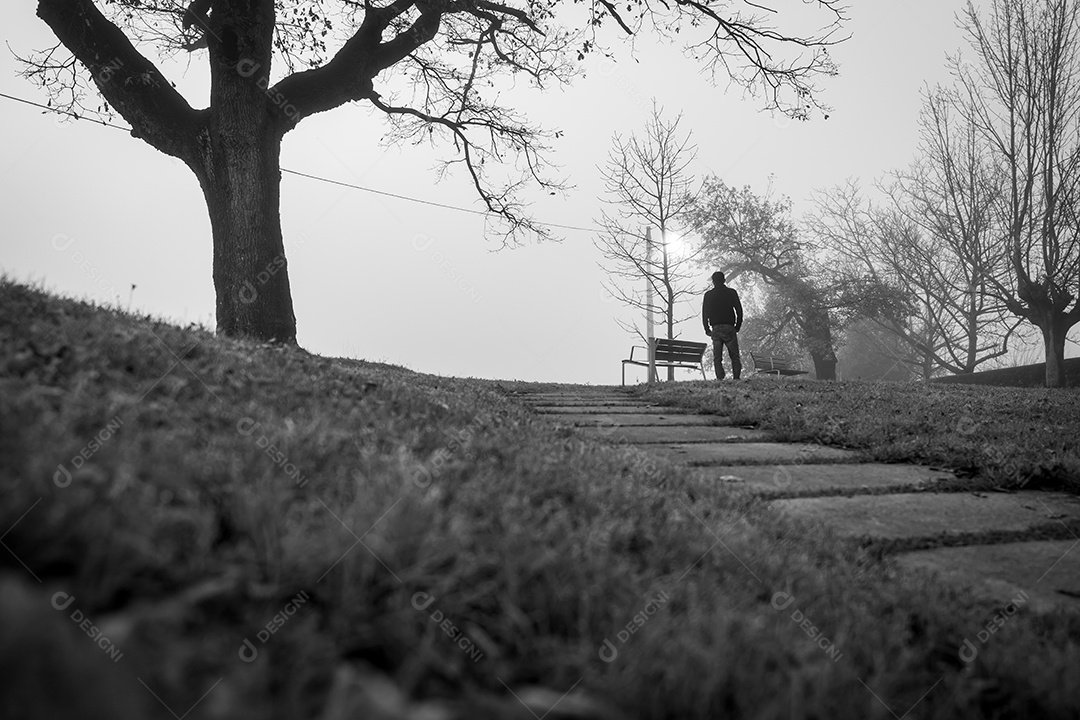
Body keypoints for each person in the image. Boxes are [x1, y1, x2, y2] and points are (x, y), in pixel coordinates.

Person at [702, 271, 743, 380]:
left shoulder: (708, 295)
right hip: (729, 327)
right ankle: (736, 378)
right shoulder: (731, 292)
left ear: (713, 281)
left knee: (717, 357)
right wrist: (737, 326)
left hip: (716, 328)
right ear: (724, 280)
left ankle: (720, 377)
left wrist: (707, 329)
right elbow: (739, 310)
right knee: (734, 356)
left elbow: (705, 313)